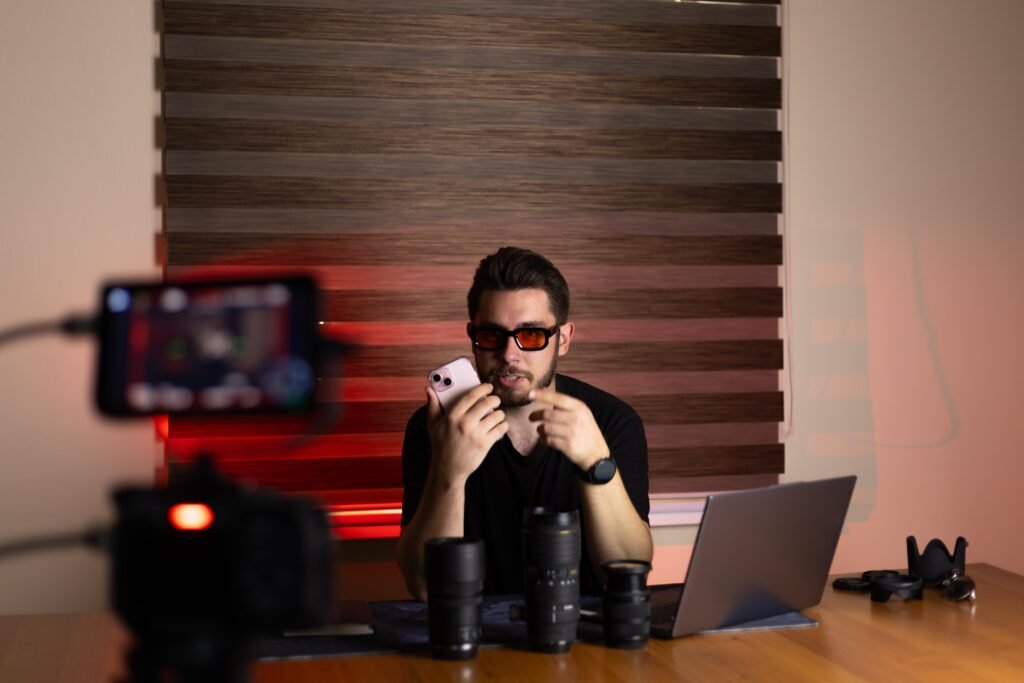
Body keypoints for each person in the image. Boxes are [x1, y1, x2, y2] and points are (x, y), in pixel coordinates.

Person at [397, 247, 652, 599]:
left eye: (531, 335)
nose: (509, 354)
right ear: (473, 337)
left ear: (563, 339)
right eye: (492, 335)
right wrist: (449, 473)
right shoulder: (436, 427)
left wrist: (596, 463)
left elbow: (628, 574)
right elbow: (425, 586)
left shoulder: (612, 421)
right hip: (473, 626)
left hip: (583, 628)